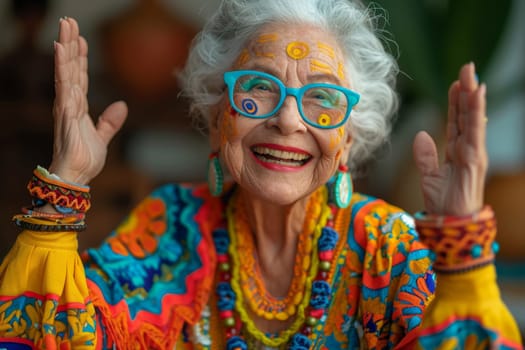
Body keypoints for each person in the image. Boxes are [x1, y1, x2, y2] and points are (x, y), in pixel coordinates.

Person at [0, 0, 522, 348]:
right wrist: (62, 188)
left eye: (321, 97)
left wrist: (464, 261)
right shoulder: (172, 227)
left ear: (349, 139)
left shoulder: (386, 246)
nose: (286, 119)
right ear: (215, 117)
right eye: (259, 88)